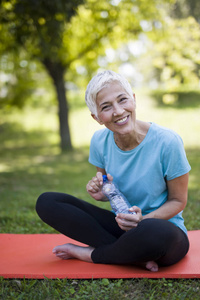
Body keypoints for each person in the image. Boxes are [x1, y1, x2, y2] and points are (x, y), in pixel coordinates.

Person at [36, 70, 191, 272]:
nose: (118, 111)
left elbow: (178, 201)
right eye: (106, 107)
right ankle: (132, 256)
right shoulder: (99, 141)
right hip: (122, 227)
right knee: (47, 201)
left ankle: (89, 254)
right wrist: (102, 194)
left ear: (133, 100)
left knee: (153, 232)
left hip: (161, 232)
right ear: (96, 117)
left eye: (122, 100)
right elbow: (109, 188)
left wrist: (143, 219)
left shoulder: (168, 142)